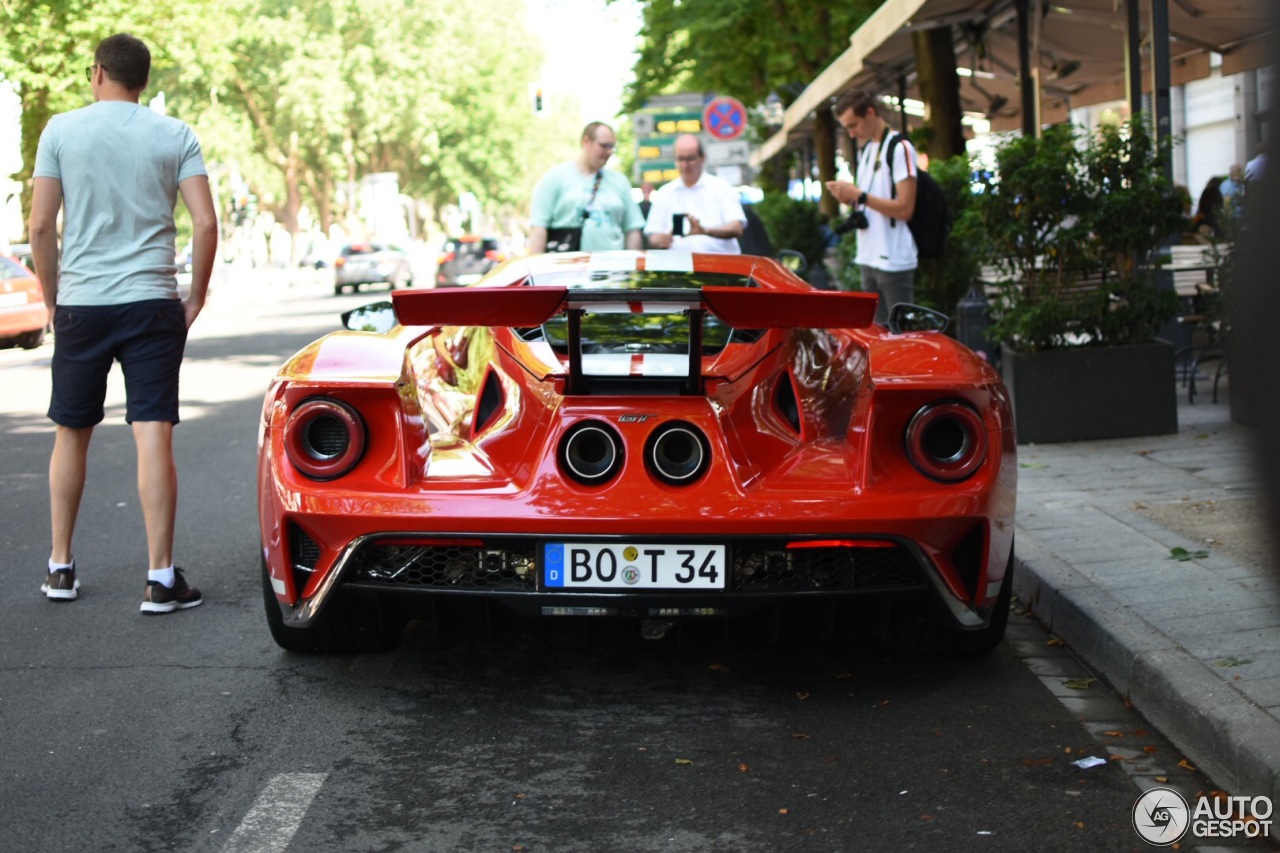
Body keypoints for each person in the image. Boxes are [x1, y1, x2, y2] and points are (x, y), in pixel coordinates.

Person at [29, 33, 218, 612]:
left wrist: (52, 300)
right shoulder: (175, 134)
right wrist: (196, 298)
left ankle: (61, 568)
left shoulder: (60, 130)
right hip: (152, 302)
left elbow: (40, 226)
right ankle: (160, 579)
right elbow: (206, 224)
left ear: (99, 72)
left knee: (71, 432)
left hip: (82, 304)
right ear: (142, 80)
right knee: (152, 432)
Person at [823, 90, 919, 323]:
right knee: (877, 334)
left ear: (870, 113)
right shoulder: (867, 150)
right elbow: (869, 199)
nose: (852, 133)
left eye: (853, 125)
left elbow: (906, 209)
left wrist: (860, 196)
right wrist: (850, 197)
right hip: (868, 255)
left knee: (900, 335)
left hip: (893, 257)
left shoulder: (899, 147)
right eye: (846, 127)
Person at [527, 121, 644, 254]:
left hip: (613, 268)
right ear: (586, 141)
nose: (609, 151)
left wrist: (633, 268)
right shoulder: (555, 177)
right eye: (604, 146)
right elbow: (538, 227)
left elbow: (632, 229)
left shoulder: (620, 181)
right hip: (567, 268)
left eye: (612, 147)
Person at [643, 134, 746, 254]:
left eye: (690, 158)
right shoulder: (665, 193)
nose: (685, 165)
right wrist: (660, 240)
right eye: (681, 159)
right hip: (676, 267)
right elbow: (652, 236)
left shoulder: (721, 187)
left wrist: (705, 231)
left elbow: (736, 228)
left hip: (719, 266)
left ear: (702, 158)